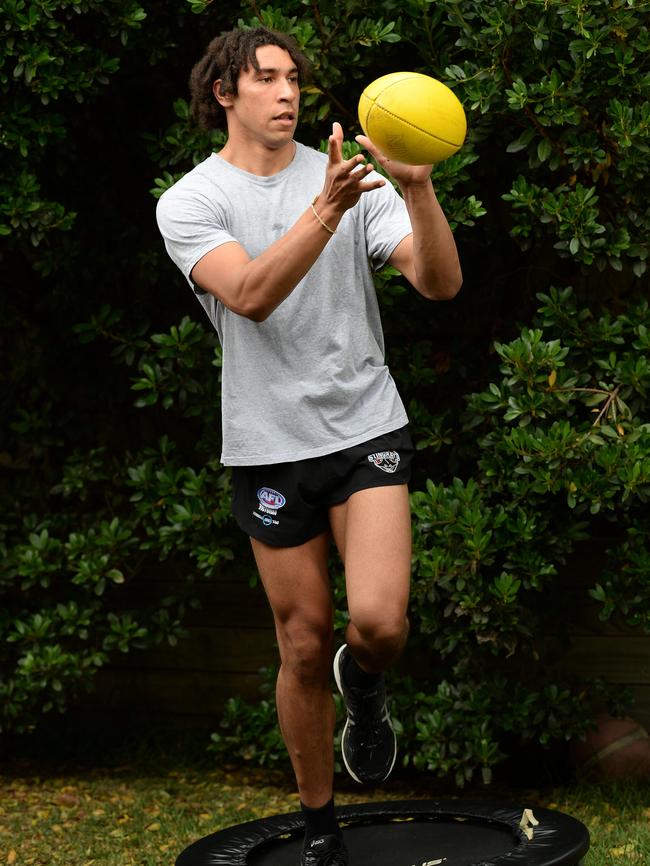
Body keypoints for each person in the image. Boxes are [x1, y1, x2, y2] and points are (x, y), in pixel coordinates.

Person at [156, 25, 462, 866]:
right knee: (300, 640)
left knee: (378, 623)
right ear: (225, 93)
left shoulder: (353, 179)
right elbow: (249, 295)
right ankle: (321, 826)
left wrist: (417, 191)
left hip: (365, 422)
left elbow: (439, 283)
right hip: (267, 445)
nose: (288, 94)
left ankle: (364, 682)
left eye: (295, 79)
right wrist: (328, 207)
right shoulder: (192, 203)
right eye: (267, 80)